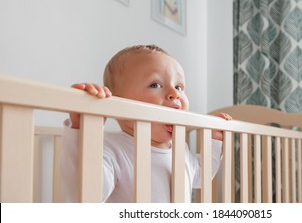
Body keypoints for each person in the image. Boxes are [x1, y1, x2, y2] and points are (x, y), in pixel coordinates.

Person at [60, 44, 231, 202]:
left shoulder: (180, 148)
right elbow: (86, 195)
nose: (174, 93)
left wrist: (214, 141)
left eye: (179, 86)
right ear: (117, 102)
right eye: (155, 84)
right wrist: (86, 130)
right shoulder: (111, 149)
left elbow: (201, 175)